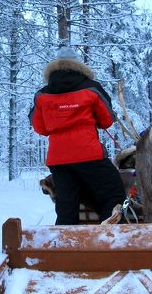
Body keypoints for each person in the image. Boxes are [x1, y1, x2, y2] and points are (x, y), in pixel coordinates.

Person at [29, 46, 126, 225]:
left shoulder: (42, 94)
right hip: (89, 154)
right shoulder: (92, 88)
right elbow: (106, 120)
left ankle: (66, 247)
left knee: (66, 207)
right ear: (78, 65)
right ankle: (111, 241)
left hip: (58, 160)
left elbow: (40, 128)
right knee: (114, 195)